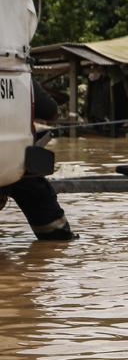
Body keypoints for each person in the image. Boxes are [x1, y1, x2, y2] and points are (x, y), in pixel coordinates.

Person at [1, 81, 73, 241]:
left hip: (15, 163)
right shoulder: (18, 74)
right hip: (15, 161)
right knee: (57, 237)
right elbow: (51, 112)